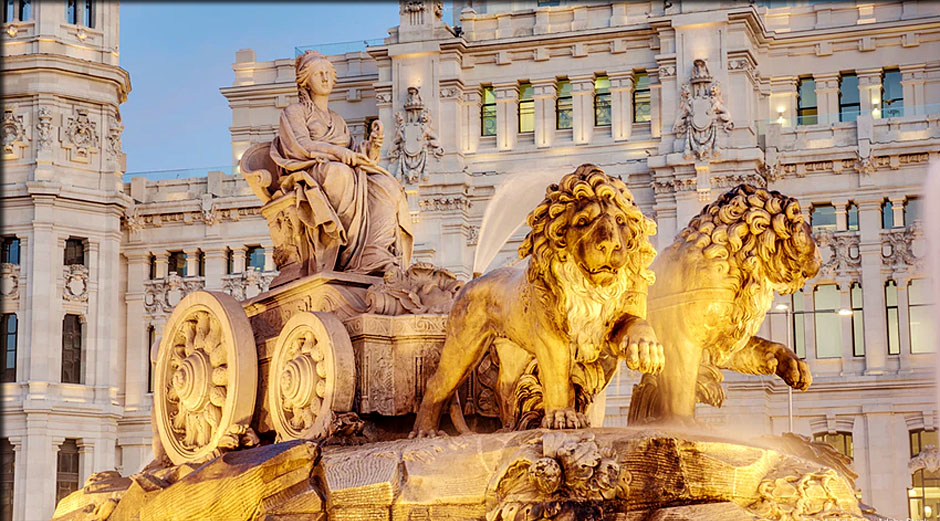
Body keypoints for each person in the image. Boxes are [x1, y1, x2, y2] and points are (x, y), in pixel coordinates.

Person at [269, 50, 413, 276]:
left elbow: (355, 154)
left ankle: (374, 251)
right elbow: (301, 146)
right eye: (319, 74)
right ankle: (348, 255)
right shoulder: (293, 112)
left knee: (388, 186)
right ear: (306, 81)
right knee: (340, 174)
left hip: (345, 171)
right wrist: (337, 153)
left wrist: (372, 146)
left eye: (328, 73)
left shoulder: (337, 120)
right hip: (310, 171)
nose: (325, 79)